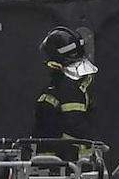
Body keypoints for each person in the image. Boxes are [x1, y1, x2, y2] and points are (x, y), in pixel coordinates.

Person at [33, 26, 97, 159]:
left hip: (65, 163)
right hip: (65, 164)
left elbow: (74, 124)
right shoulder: (71, 88)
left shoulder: (66, 89)